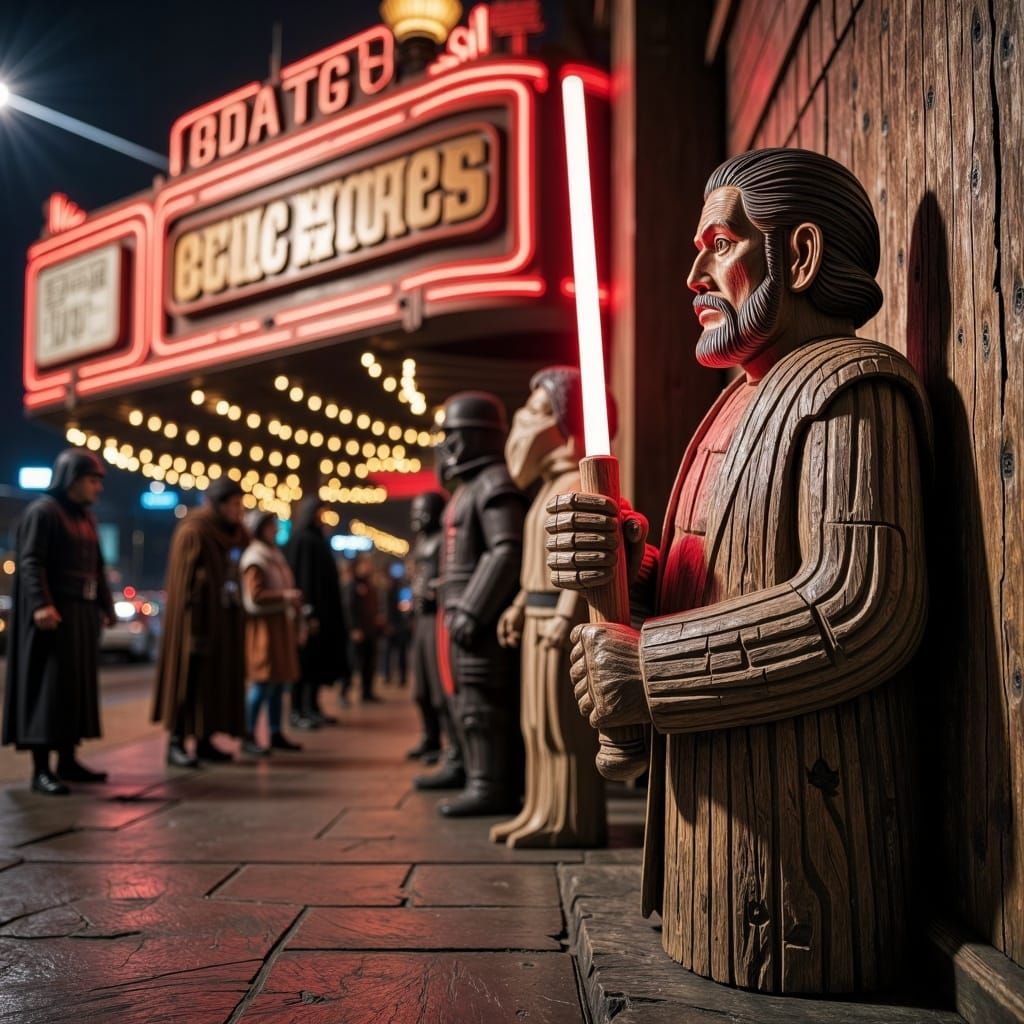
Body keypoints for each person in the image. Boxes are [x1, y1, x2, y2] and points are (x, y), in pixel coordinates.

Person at [547, 148, 931, 993]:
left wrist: (651, 666)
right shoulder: (736, 399)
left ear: (797, 257)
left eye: (718, 244)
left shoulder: (851, 390)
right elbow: (719, 579)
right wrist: (628, 569)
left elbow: (860, 606)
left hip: (804, 852)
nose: (694, 273)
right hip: (707, 848)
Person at [491, 367, 607, 848]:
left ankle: (570, 818)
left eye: (540, 410)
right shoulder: (545, 489)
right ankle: (539, 810)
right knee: (534, 723)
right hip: (537, 619)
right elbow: (538, 563)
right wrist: (519, 604)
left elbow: (585, 561)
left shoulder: (577, 486)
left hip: (560, 624)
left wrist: (564, 616)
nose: (525, 422)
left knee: (564, 727)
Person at [424, 391, 527, 817]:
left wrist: (472, 607)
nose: (446, 446)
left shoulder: (493, 483)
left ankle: (491, 784)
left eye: (453, 435)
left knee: (482, 701)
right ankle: (468, 768)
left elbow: (506, 548)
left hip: (475, 616)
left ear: (478, 436)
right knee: (460, 697)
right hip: (457, 612)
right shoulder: (470, 487)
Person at [2, 448, 115, 795]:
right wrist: (41, 604)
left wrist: (105, 606)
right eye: (92, 479)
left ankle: (67, 760)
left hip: (80, 617)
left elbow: (97, 567)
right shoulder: (43, 512)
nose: (98, 487)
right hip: (53, 616)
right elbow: (31, 562)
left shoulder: (85, 518)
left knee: (73, 689)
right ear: (71, 478)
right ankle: (41, 769)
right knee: (47, 690)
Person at [152, 477, 247, 768]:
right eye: (233, 504)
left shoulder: (234, 533)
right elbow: (185, 585)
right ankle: (177, 741)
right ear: (219, 504)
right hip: (195, 625)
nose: (238, 510)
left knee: (214, 682)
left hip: (222, 622)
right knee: (187, 682)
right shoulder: (195, 530)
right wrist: (192, 627)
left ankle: (205, 739)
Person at [240, 510, 304, 756]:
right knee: (263, 682)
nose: (276, 530)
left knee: (277, 682)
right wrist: (285, 597)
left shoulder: (272, 554)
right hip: (264, 627)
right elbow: (255, 596)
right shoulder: (256, 557)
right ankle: (248, 732)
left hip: (278, 624)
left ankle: (275, 732)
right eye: (271, 526)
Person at [285, 497, 350, 726]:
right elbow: (303, 579)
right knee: (304, 664)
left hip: (322, 615)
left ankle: (312, 706)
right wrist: (308, 613)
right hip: (310, 616)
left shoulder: (316, 540)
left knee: (316, 664)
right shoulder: (303, 540)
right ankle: (298, 710)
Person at [343, 553, 382, 703]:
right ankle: (345, 692)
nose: (368, 567)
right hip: (358, 631)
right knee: (352, 663)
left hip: (370, 630)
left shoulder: (370, 584)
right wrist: (354, 628)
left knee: (369, 663)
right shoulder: (352, 585)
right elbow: (349, 607)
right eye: (365, 564)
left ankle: (367, 692)